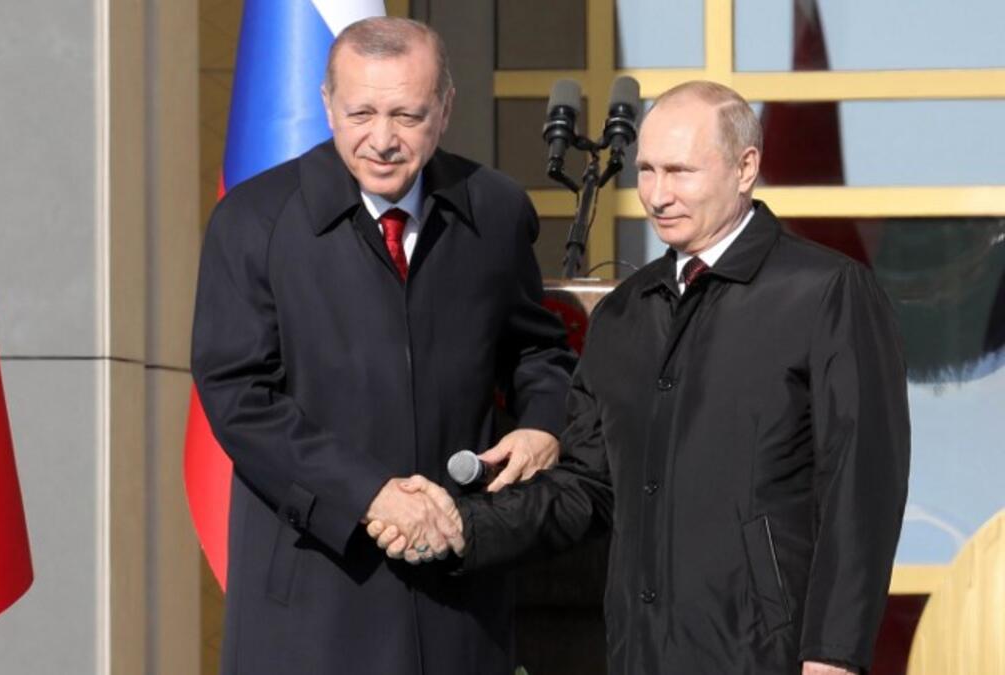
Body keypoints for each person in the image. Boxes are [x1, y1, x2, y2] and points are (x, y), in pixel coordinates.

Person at [383, 81, 911, 674]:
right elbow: (586, 487)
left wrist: (833, 654)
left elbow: (862, 489)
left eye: (680, 171)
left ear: (746, 168)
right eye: (647, 171)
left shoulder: (827, 293)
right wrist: (465, 526)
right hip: (641, 654)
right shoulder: (624, 314)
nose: (658, 195)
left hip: (770, 657)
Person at [190, 16, 575, 675]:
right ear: (326, 104)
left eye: (407, 115)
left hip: (458, 597)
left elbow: (537, 352)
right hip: (314, 598)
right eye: (361, 113)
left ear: (445, 108)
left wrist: (543, 423)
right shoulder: (253, 220)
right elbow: (239, 396)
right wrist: (370, 493)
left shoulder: (495, 209)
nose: (383, 139)